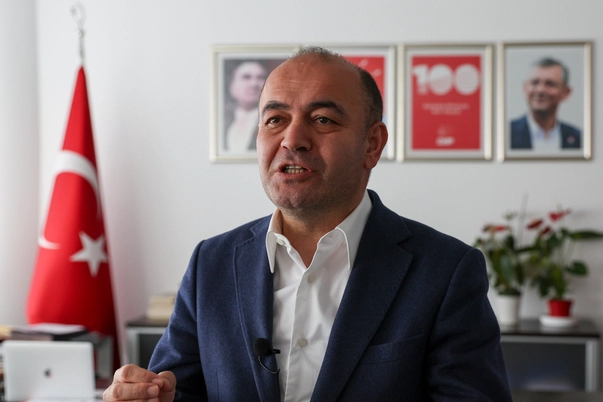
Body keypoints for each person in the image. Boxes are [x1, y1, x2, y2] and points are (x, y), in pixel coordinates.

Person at [104, 47, 512, 401]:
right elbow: (178, 390)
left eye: (322, 120)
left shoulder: (445, 270)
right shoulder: (211, 263)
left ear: (372, 144)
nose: (293, 139)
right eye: (275, 119)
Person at [510, 57, 581, 151]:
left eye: (550, 84)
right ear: (525, 88)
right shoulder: (506, 134)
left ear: (566, 92)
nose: (540, 90)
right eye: (535, 83)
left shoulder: (579, 139)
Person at [223, 60, 267, 154]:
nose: (254, 84)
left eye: (260, 78)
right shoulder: (222, 120)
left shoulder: (272, 121)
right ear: (232, 86)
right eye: (246, 77)